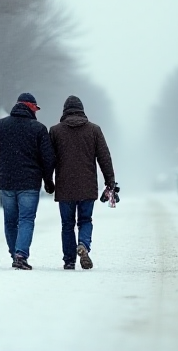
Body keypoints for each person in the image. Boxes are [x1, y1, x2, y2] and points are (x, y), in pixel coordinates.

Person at [0, 92, 56, 270]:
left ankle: (14, 252)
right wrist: (47, 179)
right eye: (36, 109)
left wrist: (1, 169)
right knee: (26, 219)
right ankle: (20, 254)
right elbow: (48, 158)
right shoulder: (38, 129)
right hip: (29, 183)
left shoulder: (0, 125)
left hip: (7, 182)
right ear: (31, 107)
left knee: (10, 221)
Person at [49, 95, 115, 270]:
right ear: (82, 110)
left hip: (64, 186)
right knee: (85, 220)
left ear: (64, 111)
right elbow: (104, 158)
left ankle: (69, 260)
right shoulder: (94, 130)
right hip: (87, 185)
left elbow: (49, 159)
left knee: (67, 224)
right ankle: (83, 245)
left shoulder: (55, 131)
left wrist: (47, 180)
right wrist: (110, 182)